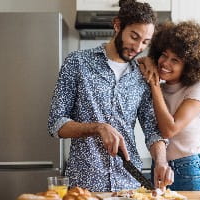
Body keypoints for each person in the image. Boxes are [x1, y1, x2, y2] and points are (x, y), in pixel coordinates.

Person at [47, 0, 173, 192]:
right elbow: (56, 124)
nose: (138, 47)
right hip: (85, 186)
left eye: (145, 42)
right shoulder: (77, 63)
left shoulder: (143, 74)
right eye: (134, 36)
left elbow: (153, 130)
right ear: (117, 25)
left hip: (129, 185)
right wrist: (97, 128)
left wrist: (162, 161)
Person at [138, 20, 200, 191]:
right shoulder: (160, 88)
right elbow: (137, 63)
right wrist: (147, 62)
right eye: (164, 55)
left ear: (189, 66)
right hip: (159, 167)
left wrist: (153, 83)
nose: (165, 63)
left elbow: (169, 129)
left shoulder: (198, 88)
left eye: (175, 60)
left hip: (189, 170)